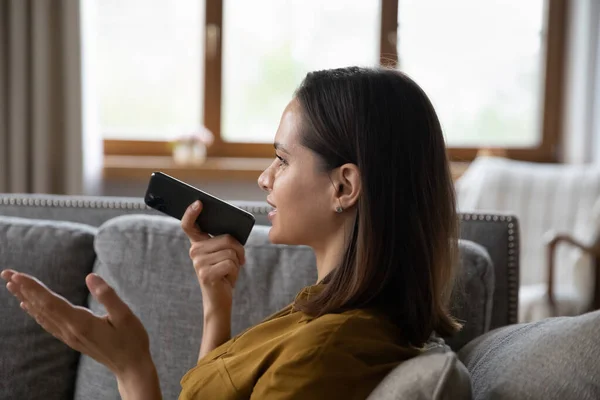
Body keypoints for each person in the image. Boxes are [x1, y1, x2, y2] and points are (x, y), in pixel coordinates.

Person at [1, 66, 460, 399]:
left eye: (282, 160)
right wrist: (215, 307)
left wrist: (131, 366)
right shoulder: (325, 315)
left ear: (343, 185)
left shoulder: (329, 348)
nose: (265, 178)